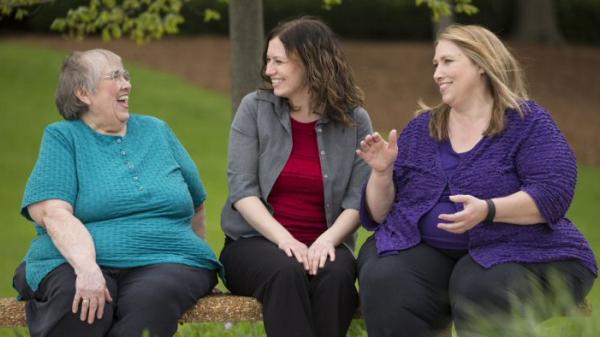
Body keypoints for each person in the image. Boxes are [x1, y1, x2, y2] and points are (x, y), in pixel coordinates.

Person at [356, 24, 597, 337]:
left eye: (447, 62)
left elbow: (552, 193)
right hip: (432, 253)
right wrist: (381, 172)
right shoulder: (423, 129)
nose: (437, 73)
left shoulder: (527, 122)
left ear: (481, 63)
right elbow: (377, 215)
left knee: (478, 284)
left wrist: (488, 210)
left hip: (522, 250)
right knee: (385, 276)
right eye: (435, 64)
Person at [12, 49, 222, 337]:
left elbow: (197, 203)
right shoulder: (63, 138)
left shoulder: (157, 131)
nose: (127, 84)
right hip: (77, 261)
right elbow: (53, 213)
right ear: (84, 93)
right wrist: (87, 269)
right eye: (115, 76)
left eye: (126, 75)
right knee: (80, 300)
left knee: (149, 303)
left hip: (167, 261)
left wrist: (191, 249)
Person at [219, 16, 372, 337]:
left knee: (337, 277)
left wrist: (327, 240)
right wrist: (286, 241)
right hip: (255, 243)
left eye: (278, 61)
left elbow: (359, 198)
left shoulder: (354, 120)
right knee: (287, 271)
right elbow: (243, 192)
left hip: (326, 242)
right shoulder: (254, 109)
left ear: (310, 63)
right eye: (267, 61)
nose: (268, 70)